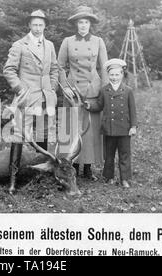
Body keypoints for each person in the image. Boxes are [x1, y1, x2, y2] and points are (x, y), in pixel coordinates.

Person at [3, 10, 59, 194]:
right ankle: (13, 180)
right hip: (25, 99)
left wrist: (50, 88)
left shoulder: (49, 45)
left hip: (44, 98)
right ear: (29, 25)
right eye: (34, 24)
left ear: (45, 26)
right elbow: (9, 70)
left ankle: (41, 177)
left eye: (40, 25)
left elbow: (54, 69)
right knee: (18, 137)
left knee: (42, 137)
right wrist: (21, 90)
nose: (37, 28)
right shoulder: (20, 45)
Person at [58, 6, 109, 181]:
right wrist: (64, 87)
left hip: (92, 90)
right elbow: (59, 66)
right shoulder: (67, 42)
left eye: (86, 22)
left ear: (90, 24)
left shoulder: (98, 41)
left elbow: (104, 67)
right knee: (71, 128)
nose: (83, 25)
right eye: (80, 22)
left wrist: (105, 90)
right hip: (72, 91)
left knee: (89, 130)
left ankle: (87, 168)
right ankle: (70, 165)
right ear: (76, 24)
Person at [85, 58, 137, 188]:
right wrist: (89, 106)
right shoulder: (104, 90)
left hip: (124, 129)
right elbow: (99, 105)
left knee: (124, 154)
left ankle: (124, 178)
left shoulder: (128, 90)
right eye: (111, 75)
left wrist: (133, 126)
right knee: (109, 155)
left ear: (122, 75)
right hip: (109, 129)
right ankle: (109, 177)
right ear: (108, 75)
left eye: (117, 74)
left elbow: (133, 110)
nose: (114, 77)